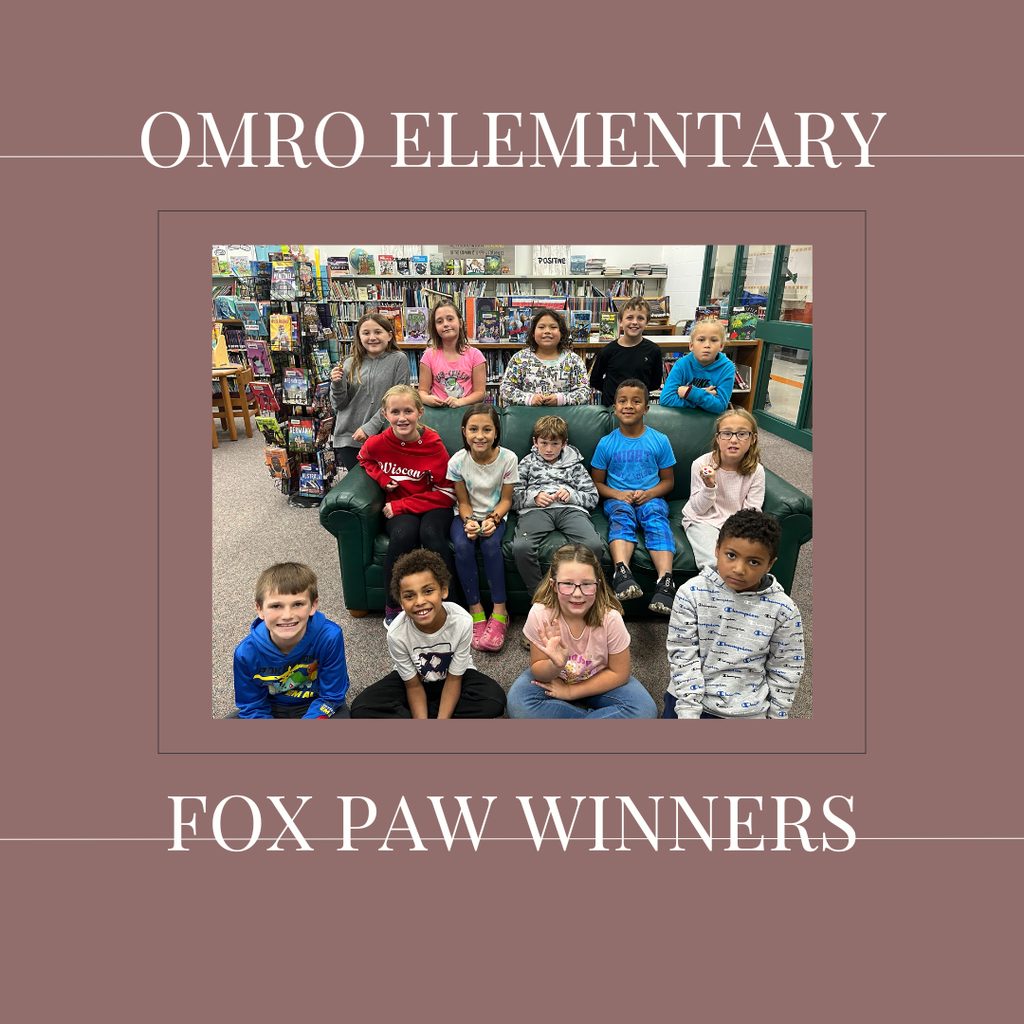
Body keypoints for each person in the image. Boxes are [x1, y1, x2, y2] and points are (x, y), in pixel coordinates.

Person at [664, 509, 804, 720]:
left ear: (770, 564)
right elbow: (682, 656)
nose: (739, 569)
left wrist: (777, 717)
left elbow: (786, 669)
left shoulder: (784, 610)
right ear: (717, 549)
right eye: (731, 555)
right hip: (688, 702)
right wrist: (688, 714)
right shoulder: (690, 593)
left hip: (748, 711)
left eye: (754, 562)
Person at [350, 550, 506, 719]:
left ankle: (424, 712)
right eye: (409, 596)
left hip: (454, 677)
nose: (420, 601)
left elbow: (454, 680)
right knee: (362, 707)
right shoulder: (396, 633)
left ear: (444, 591)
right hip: (414, 680)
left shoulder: (463, 621)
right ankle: (431, 711)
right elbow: (413, 687)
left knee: (494, 700)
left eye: (428, 591)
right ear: (401, 603)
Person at [506, 544, 657, 719]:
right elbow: (539, 671)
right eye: (568, 584)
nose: (577, 594)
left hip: (600, 678)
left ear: (598, 585)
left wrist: (570, 692)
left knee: (644, 710)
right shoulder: (540, 613)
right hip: (554, 678)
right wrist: (556, 664)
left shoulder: (611, 618)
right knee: (518, 704)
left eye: (586, 584)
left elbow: (619, 673)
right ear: (553, 585)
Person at [357, 385, 458, 627]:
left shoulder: (434, 445)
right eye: (395, 412)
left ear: (420, 412)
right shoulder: (377, 443)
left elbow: (447, 493)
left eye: (408, 411)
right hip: (401, 509)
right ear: (384, 414)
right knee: (403, 535)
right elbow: (364, 459)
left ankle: (453, 604)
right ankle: (392, 605)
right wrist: (382, 478)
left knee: (431, 534)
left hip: (433, 504)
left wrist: (403, 504)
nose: (402, 418)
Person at [590, 379, 678, 614]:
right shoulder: (606, 443)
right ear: (615, 408)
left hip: (652, 498)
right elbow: (596, 482)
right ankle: (622, 572)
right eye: (623, 401)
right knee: (622, 517)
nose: (629, 406)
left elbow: (668, 481)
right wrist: (618, 494)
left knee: (657, 520)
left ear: (646, 408)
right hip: (618, 500)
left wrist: (649, 493)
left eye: (636, 401)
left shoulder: (660, 440)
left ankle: (665, 582)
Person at [230, 562, 350, 719]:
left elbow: (332, 695)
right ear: (260, 610)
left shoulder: (330, 637)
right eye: (276, 606)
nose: (287, 615)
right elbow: (252, 705)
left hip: (317, 703)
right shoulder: (246, 653)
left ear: (313, 606)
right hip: (270, 707)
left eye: (298, 604)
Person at [447, 404, 519, 651]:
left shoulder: (508, 459)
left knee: (490, 545)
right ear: (464, 432)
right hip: (466, 515)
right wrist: (469, 522)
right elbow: (463, 502)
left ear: (496, 432)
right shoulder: (457, 461)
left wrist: (493, 520)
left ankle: (500, 611)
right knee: (462, 547)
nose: (480, 435)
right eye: (474, 429)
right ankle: (476, 610)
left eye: (487, 429)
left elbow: (506, 500)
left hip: (494, 515)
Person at [511, 414, 603, 598]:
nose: (549, 449)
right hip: (536, 510)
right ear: (535, 442)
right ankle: (539, 596)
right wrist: (534, 497)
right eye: (544, 443)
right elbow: (512, 497)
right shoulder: (527, 462)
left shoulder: (576, 465)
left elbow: (593, 497)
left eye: (555, 444)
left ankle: (579, 592)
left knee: (593, 545)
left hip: (570, 509)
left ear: (564, 443)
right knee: (521, 547)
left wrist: (572, 496)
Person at [681, 407, 765, 569]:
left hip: (738, 525)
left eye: (742, 434)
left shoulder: (756, 471)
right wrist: (709, 486)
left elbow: (752, 511)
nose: (733, 440)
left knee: (745, 564)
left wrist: (735, 534)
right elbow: (698, 509)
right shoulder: (701, 464)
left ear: (753, 438)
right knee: (716, 563)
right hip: (702, 521)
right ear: (718, 438)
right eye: (726, 433)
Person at [330, 312, 411, 471]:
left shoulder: (399, 359)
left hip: (383, 435)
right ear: (359, 337)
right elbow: (339, 404)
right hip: (350, 437)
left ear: (389, 335)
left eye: (378, 332)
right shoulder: (349, 363)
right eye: (366, 333)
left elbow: (399, 400)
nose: (372, 337)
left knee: (383, 485)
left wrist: (370, 427)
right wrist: (337, 383)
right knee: (359, 487)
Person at [498, 307, 591, 406]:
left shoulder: (574, 360)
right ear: (533, 333)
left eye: (553, 327)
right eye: (541, 327)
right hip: (527, 417)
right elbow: (505, 389)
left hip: (564, 418)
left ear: (562, 333)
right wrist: (529, 399)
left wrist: (562, 399)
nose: (547, 331)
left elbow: (584, 392)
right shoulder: (520, 359)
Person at [588, 297, 663, 406]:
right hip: (612, 408)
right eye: (629, 317)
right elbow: (595, 380)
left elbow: (655, 383)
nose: (634, 322)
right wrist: (613, 391)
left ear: (647, 322)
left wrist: (636, 394)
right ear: (620, 321)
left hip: (638, 408)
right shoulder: (607, 351)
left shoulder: (653, 350)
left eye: (640, 318)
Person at [418, 299, 486, 408]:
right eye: (439, 321)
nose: (445, 324)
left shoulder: (475, 356)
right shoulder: (428, 356)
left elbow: (480, 393)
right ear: (435, 327)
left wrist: (461, 402)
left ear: (460, 323)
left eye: (450, 319)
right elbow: (422, 391)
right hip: (438, 413)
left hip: (466, 412)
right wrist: (427, 399)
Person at [659, 317, 735, 413]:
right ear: (691, 345)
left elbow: (720, 406)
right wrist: (700, 398)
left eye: (714, 340)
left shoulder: (727, 368)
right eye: (701, 340)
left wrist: (690, 393)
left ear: (721, 346)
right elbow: (666, 399)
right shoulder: (682, 365)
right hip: (683, 421)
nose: (707, 345)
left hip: (710, 422)